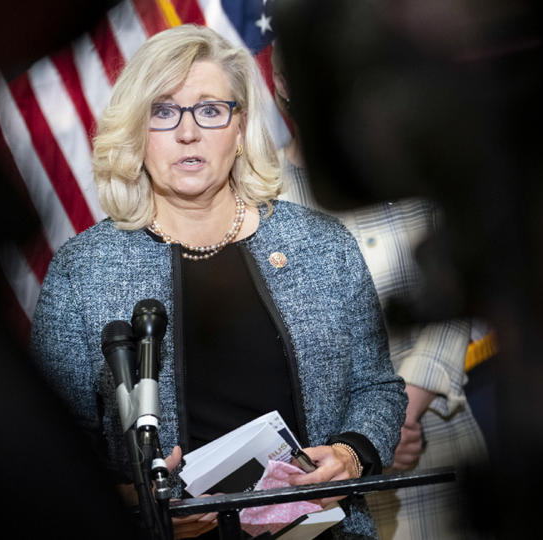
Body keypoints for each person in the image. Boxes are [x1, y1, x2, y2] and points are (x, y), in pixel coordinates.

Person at [29, 24, 408, 539]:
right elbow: (50, 447)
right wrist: (140, 506)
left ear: (240, 125)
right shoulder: (83, 271)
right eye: (163, 111)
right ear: (136, 130)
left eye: (210, 110)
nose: (188, 133)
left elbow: (377, 388)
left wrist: (351, 454)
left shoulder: (323, 246)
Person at [271, 41, 490, 539]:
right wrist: (357, 442)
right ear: (281, 81)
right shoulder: (261, 196)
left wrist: (401, 415)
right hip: (316, 470)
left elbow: (461, 288)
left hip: (431, 445)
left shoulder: (415, 168)